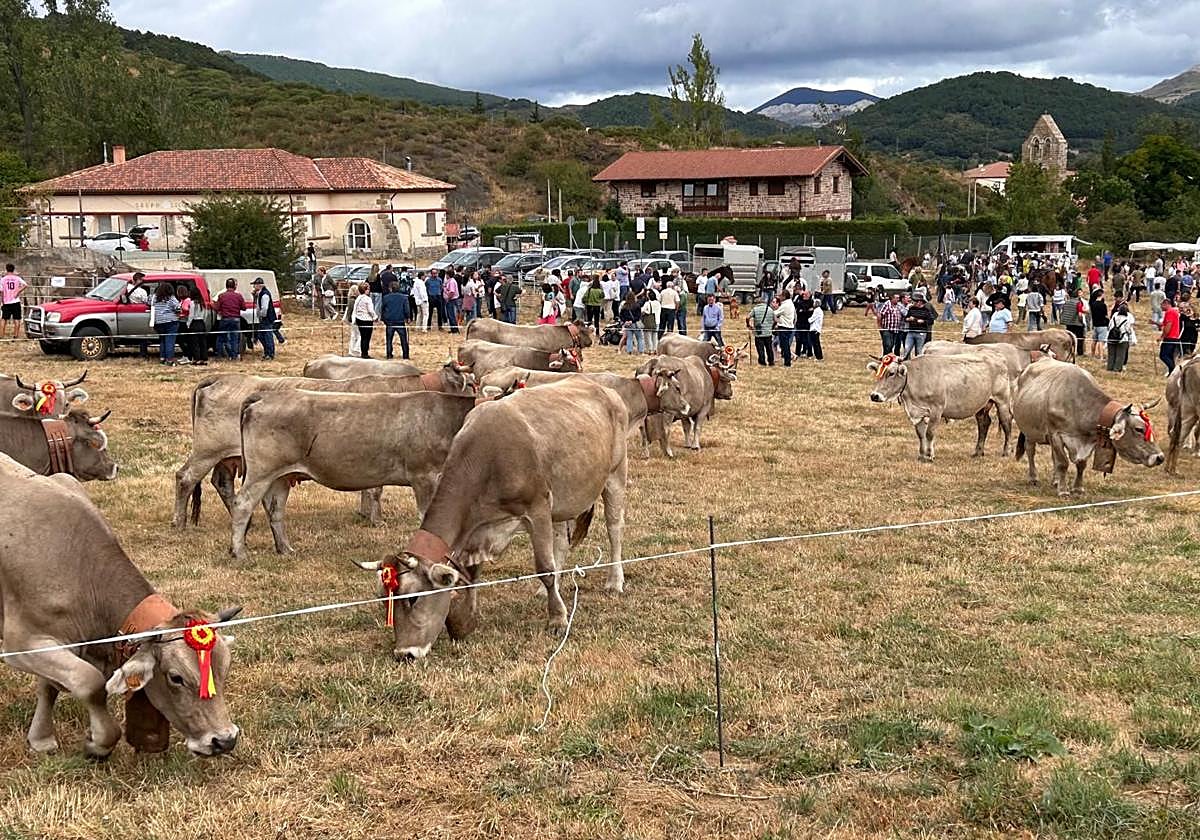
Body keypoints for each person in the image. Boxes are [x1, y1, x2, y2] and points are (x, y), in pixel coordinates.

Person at [151, 281, 182, 365]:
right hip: (171, 321)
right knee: (170, 341)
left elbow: (148, 303)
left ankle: (162, 357)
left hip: (158, 322)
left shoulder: (154, 298)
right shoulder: (171, 298)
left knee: (162, 340)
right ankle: (169, 359)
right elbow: (178, 308)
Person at [215, 277, 244, 361]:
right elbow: (244, 307)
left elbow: (217, 307)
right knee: (234, 338)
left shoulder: (221, 296)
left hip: (225, 319)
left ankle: (219, 355)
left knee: (221, 338)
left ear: (226, 286)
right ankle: (234, 356)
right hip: (236, 319)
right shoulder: (238, 296)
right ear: (234, 286)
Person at [382, 281, 410, 360]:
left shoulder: (386, 297)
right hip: (400, 320)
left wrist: (384, 319)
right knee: (403, 339)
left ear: (390, 289)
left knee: (389, 339)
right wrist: (408, 317)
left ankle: (389, 354)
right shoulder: (404, 297)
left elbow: (383, 309)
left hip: (390, 321)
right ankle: (405, 355)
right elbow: (406, 309)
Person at [902, 291, 934, 358]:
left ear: (920, 302)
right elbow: (906, 318)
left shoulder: (926, 310)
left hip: (921, 333)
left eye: (915, 301)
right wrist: (908, 319)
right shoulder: (911, 309)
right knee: (906, 349)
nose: (914, 303)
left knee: (919, 351)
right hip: (911, 332)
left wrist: (923, 321)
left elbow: (931, 321)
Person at [252, 277, 276, 361]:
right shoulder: (260, 294)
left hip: (266, 318)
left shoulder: (264, 294)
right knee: (261, 336)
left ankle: (270, 353)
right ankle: (267, 352)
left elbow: (264, 308)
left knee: (267, 336)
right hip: (263, 318)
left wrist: (261, 315)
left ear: (259, 285)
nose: (254, 287)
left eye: (254, 285)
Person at [1059, 287, 1086, 360]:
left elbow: (1063, 312)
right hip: (1077, 323)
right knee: (1079, 338)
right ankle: (1079, 352)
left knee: (1070, 338)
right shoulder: (1078, 303)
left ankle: (1070, 351)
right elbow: (1080, 314)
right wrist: (1082, 322)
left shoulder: (1067, 302)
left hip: (1068, 323)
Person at [746, 297, 776, 366]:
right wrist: (772, 327)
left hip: (758, 333)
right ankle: (771, 361)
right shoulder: (770, 309)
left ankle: (762, 362)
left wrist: (748, 325)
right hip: (768, 333)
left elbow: (747, 317)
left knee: (760, 348)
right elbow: (775, 320)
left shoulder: (755, 309)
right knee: (769, 348)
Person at [183, 286, 208, 366]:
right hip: (201, 323)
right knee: (202, 342)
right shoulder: (203, 303)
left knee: (195, 342)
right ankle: (203, 358)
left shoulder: (192, 303)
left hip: (194, 323)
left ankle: (196, 358)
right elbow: (205, 314)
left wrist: (188, 324)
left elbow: (191, 315)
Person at [1, 263, 27, 339]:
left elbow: (1, 291)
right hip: (16, 301)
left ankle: (1, 336)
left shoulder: (3, 279)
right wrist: (18, 291)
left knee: (3, 319)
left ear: (6, 269)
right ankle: (15, 335)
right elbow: (25, 285)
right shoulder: (17, 278)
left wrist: (2, 300)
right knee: (17, 319)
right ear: (13, 269)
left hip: (6, 301)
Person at [352, 281, 376, 358]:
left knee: (363, 337)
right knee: (367, 337)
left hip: (359, 319)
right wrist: (375, 317)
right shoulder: (367, 299)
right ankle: (365, 353)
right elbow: (370, 310)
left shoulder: (358, 298)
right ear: (366, 290)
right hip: (366, 320)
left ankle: (363, 352)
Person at [1107, 302, 1134, 373]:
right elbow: (1128, 329)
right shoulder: (1127, 318)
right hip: (1123, 338)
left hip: (1112, 337)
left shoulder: (1114, 316)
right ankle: (1117, 369)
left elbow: (1110, 326)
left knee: (1111, 354)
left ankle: (1110, 368)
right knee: (1120, 355)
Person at [1160, 298, 1182, 375]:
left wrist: (1162, 336)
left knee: (1163, 355)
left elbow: (1168, 326)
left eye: (1161, 305)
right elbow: (1165, 324)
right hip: (1175, 337)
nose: (1161, 307)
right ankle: (1171, 372)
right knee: (1169, 356)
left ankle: (1174, 370)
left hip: (1170, 337)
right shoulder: (1174, 312)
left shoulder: (1169, 312)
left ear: (1166, 304)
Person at [774, 291, 796, 367]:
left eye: (780, 295)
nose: (779, 297)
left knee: (785, 346)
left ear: (784, 296)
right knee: (784, 346)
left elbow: (775, 313)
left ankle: (787, 362)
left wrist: (772, 309)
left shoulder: (786, 305)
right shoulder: (789, 303)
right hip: (788, 327)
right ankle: (787, 360)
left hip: (784, 327)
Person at [1089, 288, 1109, 359]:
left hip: (1095, 324)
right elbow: (1106, 315)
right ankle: (1101, 356)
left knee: (1094, 340)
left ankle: (1092, 355)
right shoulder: (1103, 305)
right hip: (1102, 325)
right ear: (1102, 295)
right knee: (1101, 342)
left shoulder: (1093, 304)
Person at [344, 283, 362, 355]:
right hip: (355, 320)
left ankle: (351, 351)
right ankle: (357, 349)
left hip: (351, 320)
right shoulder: (354, 300)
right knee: (360, 335)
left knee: (353, 335)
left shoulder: (350, 300)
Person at [443, 269, 461, 334]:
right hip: (451, 300)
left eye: (446, 274)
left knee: (451, 315)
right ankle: (453, 329)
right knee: (450, 315)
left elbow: (452, 292)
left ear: (448, 275)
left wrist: (448, 298)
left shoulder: (452, 282)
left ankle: (455, 330)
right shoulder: (449, 281)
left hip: (452, 300)